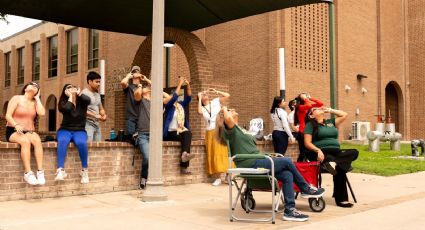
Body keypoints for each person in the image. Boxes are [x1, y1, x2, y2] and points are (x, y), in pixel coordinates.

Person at [217, 106, 325, 222]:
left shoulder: (239, 129)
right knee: (287, 161)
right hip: (250, 163)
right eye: (229, 110)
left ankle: (289, 210)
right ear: (225, 118)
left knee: (287, 174)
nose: (232, 109)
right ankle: (305, 188)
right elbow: (228, 120)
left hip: (257, 160)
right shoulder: (230, 131)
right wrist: (223, 108)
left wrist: (267, 155)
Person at [304, 107, 359, 208]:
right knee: (340, 167)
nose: (319, 108)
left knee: (354, 152)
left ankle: (335, 163)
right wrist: (318, 150)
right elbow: (307, 143)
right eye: (315, 109)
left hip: (336, 153)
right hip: (322, 153)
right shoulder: (310, 125)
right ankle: (341, 199)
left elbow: (344, 114)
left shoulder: (330, 122)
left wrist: (330, 110)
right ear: (312, 115)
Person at [5, 82, 46, 185]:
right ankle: (28, 173)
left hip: (29, 131)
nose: (34, 85)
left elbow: (42, 113)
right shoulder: (16, 98)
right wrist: (16, 125)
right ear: (25, 88)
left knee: (37, 139)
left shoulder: (35, 102)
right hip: (13, 129)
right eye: (31, 84)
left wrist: (37, 99)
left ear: (37, 91)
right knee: (25, 141)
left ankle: (40, 171)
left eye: (36, 86)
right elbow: (8, 115)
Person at [55, 84, 91, 184]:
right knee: (62, 141)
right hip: (65, 129)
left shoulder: (82, 101)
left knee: (82, 143)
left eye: (73, 87)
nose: (72, 89)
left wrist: (79, 93)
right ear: (65, 91)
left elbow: (88, 100)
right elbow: (66, 109)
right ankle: (60, 170)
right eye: (68, 87)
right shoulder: (63, 102)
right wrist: (70, 97)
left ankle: (84, 171)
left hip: (79, 130)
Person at [197, 88, 230, 186]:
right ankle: (218, 178)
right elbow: (199, 112)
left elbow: (227, 95)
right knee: (214, 153)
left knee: (225, 152)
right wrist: (199, 97)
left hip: (220, 129)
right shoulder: (202, 108)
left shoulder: (215, 101)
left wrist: (216, 91)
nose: (205, 95)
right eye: (203, 95)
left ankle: (228, 176)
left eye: (205, 94)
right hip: (210, 132)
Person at [163, 77, 193, 174]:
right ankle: (184, 167)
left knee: (188, 134)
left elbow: (189, 97)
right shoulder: (168, 106)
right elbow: (175, 97)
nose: (176, 97)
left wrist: (187, 84)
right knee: (186, 139)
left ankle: (184, 155)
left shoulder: (181, 105)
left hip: (180, 131)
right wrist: (179, 84)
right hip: (171, 132)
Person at [134, 75, 152, 189]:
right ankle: (144, 177)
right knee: (148, 157)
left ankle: (151, 179)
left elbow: (158, 88)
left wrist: (147, 80)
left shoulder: (155, 101)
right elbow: (137, 94)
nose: (147, 87)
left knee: (153, 159)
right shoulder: (140, 101)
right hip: (143, 134)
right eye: (145, 87)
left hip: (154, 135)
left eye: (148, 87)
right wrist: (140, 84)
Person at [294, 93, 323, 162]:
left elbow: (320, 104)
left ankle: (307, 166)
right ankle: (301, 166)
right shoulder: (299, 107)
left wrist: (311, 98)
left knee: (309, 151)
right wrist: (305, 98)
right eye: (305, 96)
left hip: (309, 131)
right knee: (303, 152)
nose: (306, 97)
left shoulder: (308, 106)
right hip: (302, 132)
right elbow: (308, 105)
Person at [82, 71, 107, 141]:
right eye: (97, 82)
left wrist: (104, 115)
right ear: (90, 81)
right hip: (87, 124)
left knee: (97, 148)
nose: (99, 84)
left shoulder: (97, 94)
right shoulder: (84, 94)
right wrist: (95, 115)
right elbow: (81, 110)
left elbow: (101, 108)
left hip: (97, 125)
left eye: (99, 82)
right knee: (89, 147)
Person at [121, 66, 142, 138]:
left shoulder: (143, 87)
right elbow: (123, 82)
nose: (136, 73)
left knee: (140, 138)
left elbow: (155, 87)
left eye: (137, 71)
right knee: (131, 138)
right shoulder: (129, 87)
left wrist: (144, 78)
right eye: (134, 72)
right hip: (131, 117)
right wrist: (128, 76)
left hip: (141, 117)